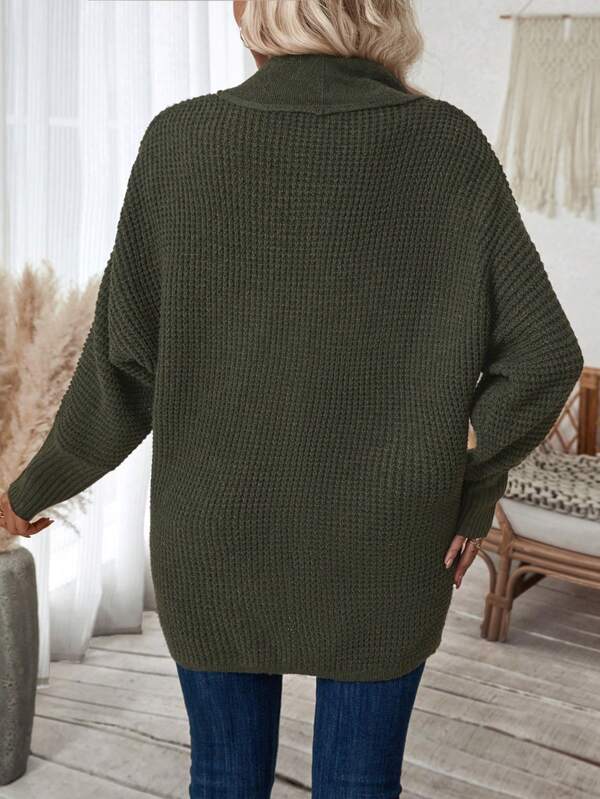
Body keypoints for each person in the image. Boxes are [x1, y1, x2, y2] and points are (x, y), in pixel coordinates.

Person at [0, 1, 584, 796]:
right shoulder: (448, 145)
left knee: (225, 778)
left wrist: (33, 489)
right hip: (389, 539)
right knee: (360, 782)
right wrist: (465, 480)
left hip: (215, 537)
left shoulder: (181, 142)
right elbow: (544, 358)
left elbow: (124, 369)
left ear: (258, 11)